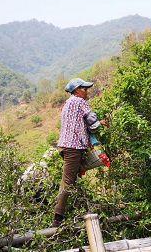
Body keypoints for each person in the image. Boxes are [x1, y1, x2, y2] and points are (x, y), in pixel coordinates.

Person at [51, 78, 108, 227]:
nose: (86, 91)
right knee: (68, 182)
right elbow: (92, 123)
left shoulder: (68, 104)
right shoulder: (80, 101)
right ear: (77, 90)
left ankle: (74, 210)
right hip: (73, 147)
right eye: (84, 89)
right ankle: (58, 218)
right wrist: (100, 123)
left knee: (74, 177)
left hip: (66, 146)